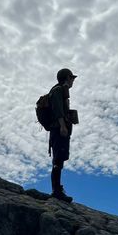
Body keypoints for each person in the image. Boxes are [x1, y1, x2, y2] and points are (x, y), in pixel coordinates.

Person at [49, 67, 77, 202]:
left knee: (59, 159)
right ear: (67, 78)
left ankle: (57, 189)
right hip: (59, 129)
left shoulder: (61, 91)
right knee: (58, 160)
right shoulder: (58, 90)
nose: (73, 81)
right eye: (72, 78)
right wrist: (62, 126)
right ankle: (56, 191)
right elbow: (58, 109)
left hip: (59, 129)